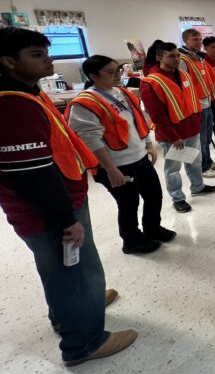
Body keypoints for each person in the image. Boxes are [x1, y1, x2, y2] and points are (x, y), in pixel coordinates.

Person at [0, 27, 137, 366]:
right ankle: (84, 342)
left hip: (57, 197)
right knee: (73, 268)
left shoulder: (27, 92)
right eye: (36, 54)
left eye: (46, 51)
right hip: (47, 208)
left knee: (62, 269)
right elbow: (31, 175)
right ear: (8, 61)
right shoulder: (13, 105)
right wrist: (66, 220)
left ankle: (73, 310)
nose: (48, 59)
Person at [66, 56, 174, 254]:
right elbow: (90, 140)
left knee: (153, 195)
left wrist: (148, 144)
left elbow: (137, 120)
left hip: (139, 156)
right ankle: (131, 240)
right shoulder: (85, 103)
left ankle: (152, 228)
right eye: (110, 72)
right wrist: (110, 169)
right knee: (128, 203)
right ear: (93, 76)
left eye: (118, 70)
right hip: (117, 164)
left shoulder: (122, 92)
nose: (118, 75)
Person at [140, 41, 215, 213]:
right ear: (160, 57)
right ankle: (178, 198)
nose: (176, 59)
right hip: (173, 135)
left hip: (191, 128)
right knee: (173, 168)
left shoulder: (184, 75)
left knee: (195, 161)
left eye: (177, 55)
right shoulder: (151, 81)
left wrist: (197, 122)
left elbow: (191, 100)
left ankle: (197, 186)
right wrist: (173, 136)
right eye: (171, 56)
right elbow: (156, 114)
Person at [179, 29, 215, 177]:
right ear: (186, 41)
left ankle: (208, 161)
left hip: (207, 102)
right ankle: (203, 167)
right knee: (201, 139)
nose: (198, 42)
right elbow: (181, 85)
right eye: (194, 39)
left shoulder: (198, 58)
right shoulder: (183, 60)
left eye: (199, 39)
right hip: (197, 106)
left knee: (208, 136)